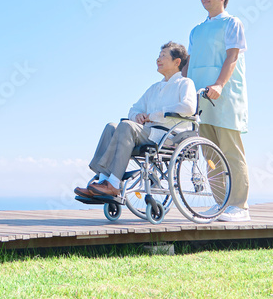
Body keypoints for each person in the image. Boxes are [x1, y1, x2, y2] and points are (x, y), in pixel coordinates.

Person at [77, 42, 197, 200]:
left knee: (127, 126)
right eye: (158, 56)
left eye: (163, 56)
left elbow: (188, 107)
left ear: (177, 62)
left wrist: (156, 114)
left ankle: (113, 183)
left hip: (168, 136)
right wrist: (137, 116)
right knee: (111, 127)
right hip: (148, 132)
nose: (158, 60)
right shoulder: (154, 88)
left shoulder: (185, 83)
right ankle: (103, 180)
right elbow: (134, 109)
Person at [183, 0, 251, 221]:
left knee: (230, 151)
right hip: (200, 99)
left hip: (224, 96)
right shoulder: (196, 30)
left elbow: (232, 57)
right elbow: (189, 64)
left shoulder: (232, 23)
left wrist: (220, 85)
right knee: (209, 154)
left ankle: (240, 207)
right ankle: (221, 203)